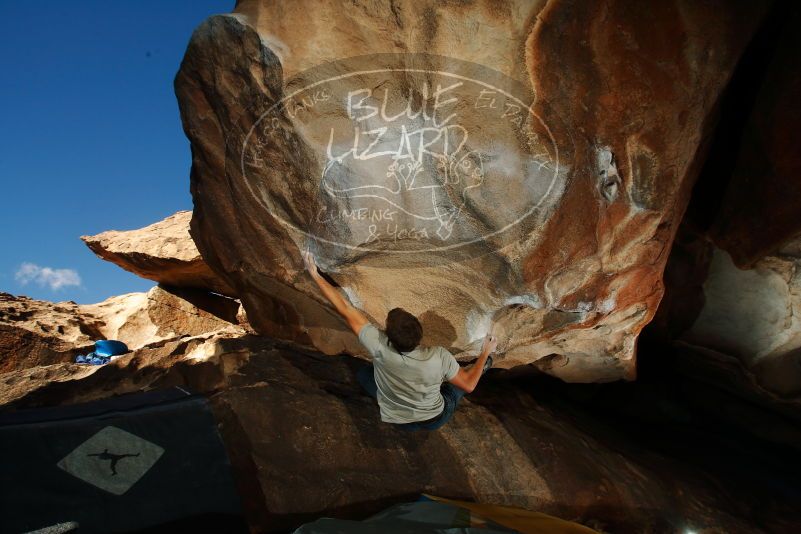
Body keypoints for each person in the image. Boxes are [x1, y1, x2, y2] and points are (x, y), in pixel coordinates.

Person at [301, 248, 498, 431]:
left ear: (388, 336)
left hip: (400, 420)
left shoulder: (378, 345)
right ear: (420, 335)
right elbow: (469, 385)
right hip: (434, 419)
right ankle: (484, 364)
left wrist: (315, 275)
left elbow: (345, 309)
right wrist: (485, 352)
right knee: (456, 387)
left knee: (363, 375)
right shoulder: (438, 357)